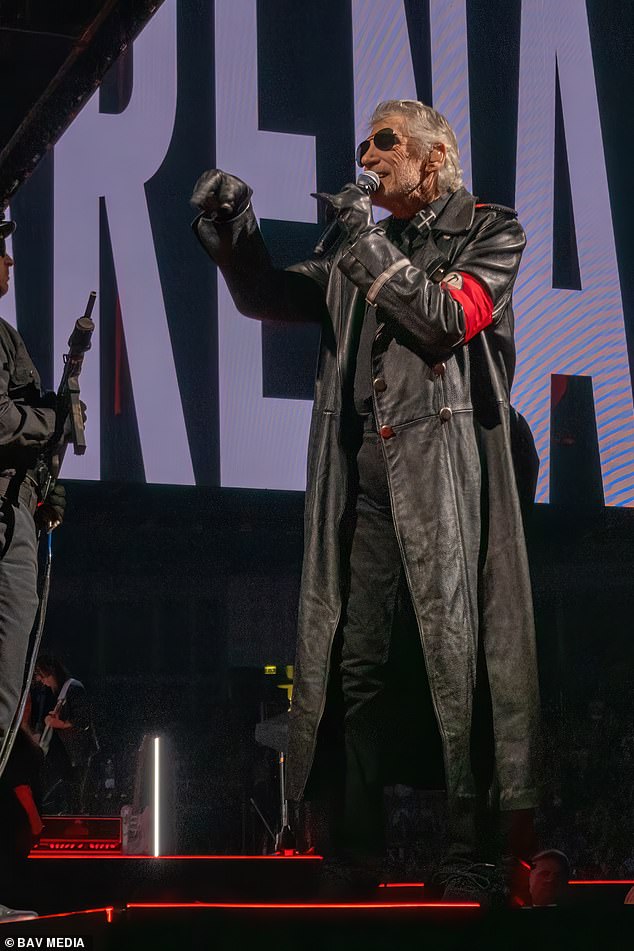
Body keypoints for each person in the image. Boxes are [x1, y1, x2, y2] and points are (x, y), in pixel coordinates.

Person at [191, 99, 541, 902]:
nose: (369, 156)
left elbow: (445, 318)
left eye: (386, 142)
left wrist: (365, 242)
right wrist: (233, 228)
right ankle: (354, 848)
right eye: (366, 145)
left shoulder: (491, 230)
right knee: (356, 664)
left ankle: (470, 848)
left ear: (434, 153)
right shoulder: (359, 247)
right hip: (365, 485)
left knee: (462, 662)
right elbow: (269, 294)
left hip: (448, 480)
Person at [0, 211, 66, 919]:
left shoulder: (7, 336)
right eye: (2, 251)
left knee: (6, 691)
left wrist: (47, 490)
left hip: (16, 517)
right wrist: (53, 421)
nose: (10, 263)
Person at [34, 653, 98, 814]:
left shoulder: (74, 688)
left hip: (76, 752)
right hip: (68, 753)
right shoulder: (59, 692)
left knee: (73, 793)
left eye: (42, 676)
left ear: (51, 672)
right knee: (68, 792)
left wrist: (59, 723)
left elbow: (83, 721)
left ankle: (74, 820)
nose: (42, 681)